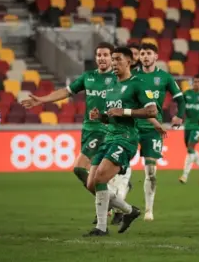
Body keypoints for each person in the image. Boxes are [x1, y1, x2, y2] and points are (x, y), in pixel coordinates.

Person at [21, 43, 133, 225]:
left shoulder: (117, 79)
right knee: (93, 179)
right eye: (99, 55)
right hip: (88, 130)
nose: (102, 58)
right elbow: (66, 91)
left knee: (79, 168)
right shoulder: (88, 77)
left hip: (106, 130)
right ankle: (118, 203)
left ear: (112, 58)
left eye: (106, 55)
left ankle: (113, 207)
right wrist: (41, 100)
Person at [84, 47, 162, 236]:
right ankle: (129, 211)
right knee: (91, 184)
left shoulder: (139, 83)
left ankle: (101, 228)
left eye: (117, 59)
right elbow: (112, 116)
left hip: (126, 138)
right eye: (113, 59)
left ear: (129, 61)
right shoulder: (111, 86)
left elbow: (152, 111)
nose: (113, 63)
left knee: (101, 176)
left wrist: (125, 112)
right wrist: (100, 117)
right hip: (109, 137)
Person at [134, 43, 185, 221]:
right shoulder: (133, 77)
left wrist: (179, 115)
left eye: (149, 53)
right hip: (131, 126)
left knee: (150, 171)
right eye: (142, 53)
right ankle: (116, 205)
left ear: (156, 56)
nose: (145, 56)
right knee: (119, 168)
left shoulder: (164, 78)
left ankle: (149, 210)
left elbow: (180, 98)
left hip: (153, 131)